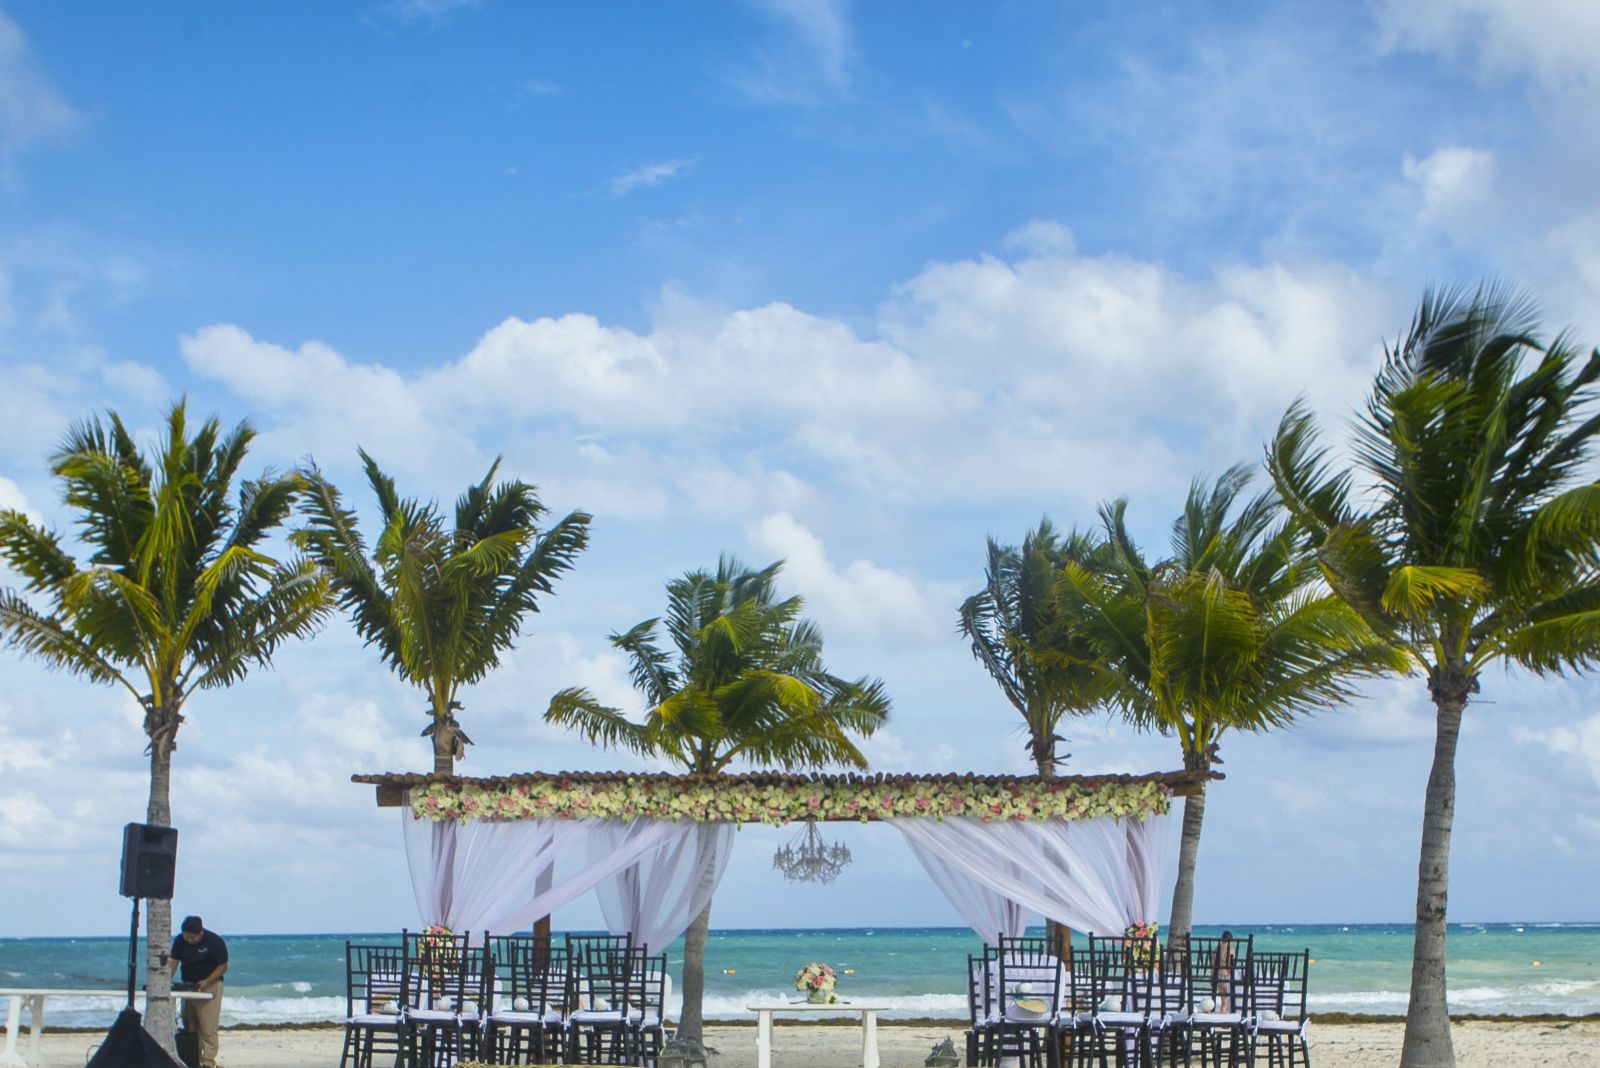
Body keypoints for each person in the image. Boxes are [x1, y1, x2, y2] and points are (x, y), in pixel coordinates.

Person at [170, 915, 228, 1068]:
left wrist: (207, 981)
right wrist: (165, 979)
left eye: (193, 938)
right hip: (188, 985)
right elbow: (174, 962)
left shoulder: (214, 941)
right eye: (187, 937)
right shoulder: (179, 941)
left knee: (208, 1027)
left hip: (209, 985)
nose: (189, 941)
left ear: (200, 932)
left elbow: (222, 966)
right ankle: (192, 1060)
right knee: (189, 1024)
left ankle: (208, 1062)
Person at [1211, 930, 1238, 1012]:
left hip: (1218, 975)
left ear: (1222, 938)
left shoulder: (1216, 949)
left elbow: (1212, 965)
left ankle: (1221, 1019)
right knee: (1226, 1003)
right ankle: (1224, 1022)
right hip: (1227, 976)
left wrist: (1212, 977)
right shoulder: (1232, 950)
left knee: (1223, 1001)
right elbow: (1231, 966)